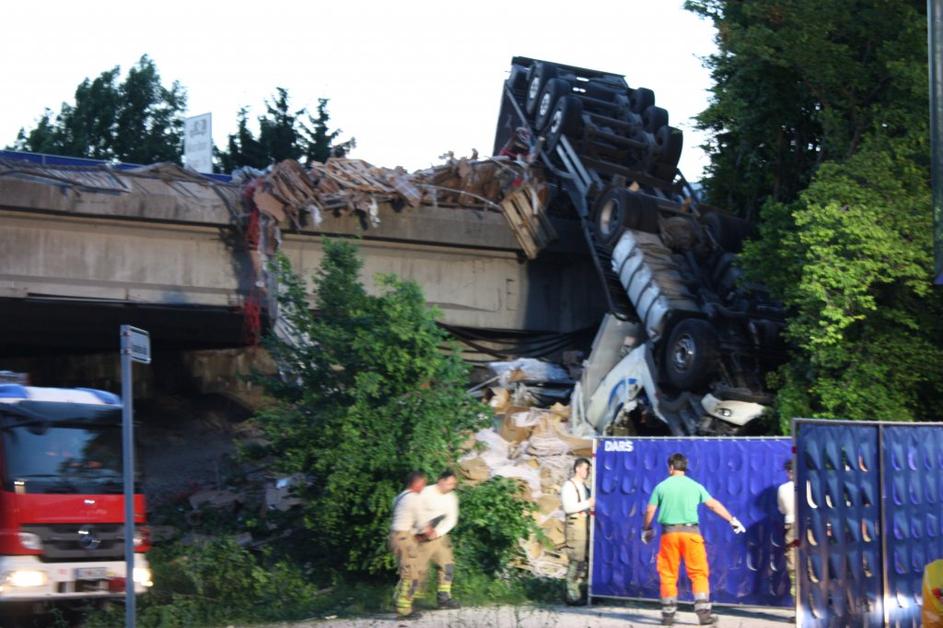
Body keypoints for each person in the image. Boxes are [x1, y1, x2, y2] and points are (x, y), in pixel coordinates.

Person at [642, 453, 746, 626]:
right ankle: (703, 615)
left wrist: (646, 529)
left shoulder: (661, 486)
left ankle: (668, 616)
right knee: (698, 573)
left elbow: (650, 510)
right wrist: (732, 520)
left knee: (668, 574)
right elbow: (713, 505)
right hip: (692, 534)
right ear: (684, 467)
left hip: (669, 535)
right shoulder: (695, 486)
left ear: (671, 468)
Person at [390, 470, 432, 621]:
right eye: (423, 483)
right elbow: (422, 524)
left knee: (408, 571)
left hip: (395, 536)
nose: (424, 487)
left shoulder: (400, 496)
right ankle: (404, 609)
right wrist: (430, 531)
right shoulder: (414, 498)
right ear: (417, 483)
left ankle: (402, 602)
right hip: (404, 538)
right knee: (410, 573)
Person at [419, 469, 461, 609]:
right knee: (417, 569)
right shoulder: (425, 492)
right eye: (449, 484)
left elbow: (452, 519)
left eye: (453, 484)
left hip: (440, 536)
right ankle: (408, 601)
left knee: (447, 565)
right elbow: (414, 511)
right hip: (421, 537)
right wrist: (423, 529)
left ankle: (444, 598)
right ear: (440, 480)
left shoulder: (452, 497)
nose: (452, 487)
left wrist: (438, 532)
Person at [561, 457, 595, 605]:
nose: (588, 472)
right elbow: (569, 507)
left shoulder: (583, 486)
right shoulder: (569, 486)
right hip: (575, 526)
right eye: (586, 469)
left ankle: (579, 592)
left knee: (584, 560)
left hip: (584, 524)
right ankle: (571, 595)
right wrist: (588, 503)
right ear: (577, 469)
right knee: (576, 559)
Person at [777, 459, 797, 600]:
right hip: (811, 525)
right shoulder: (812, 485)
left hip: (792, 526)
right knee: (812, 563)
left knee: (793, 562)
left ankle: (797, 601)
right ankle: (814, 602)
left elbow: (782, 509)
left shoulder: (783, 488)